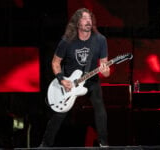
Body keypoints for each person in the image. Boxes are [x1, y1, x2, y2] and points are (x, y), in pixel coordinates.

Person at [40, 8, 110, 147]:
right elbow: (55, 62)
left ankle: (104, 143)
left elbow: (105, 70)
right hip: (69, 82)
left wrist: (105, 70)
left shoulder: (100, 40)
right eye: (84, 18)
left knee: (100, 108)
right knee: (59, 113)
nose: (88, 21)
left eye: (89, 18)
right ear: (77, 23)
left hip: (91, 80)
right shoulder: (67, 41)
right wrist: (62, 79)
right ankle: (45, 145)